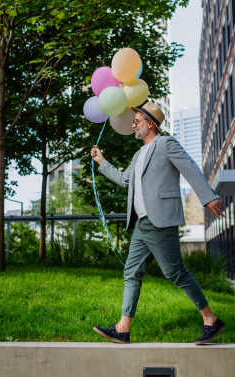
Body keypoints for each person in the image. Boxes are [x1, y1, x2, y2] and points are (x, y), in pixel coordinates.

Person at [90, 102, 226, 345]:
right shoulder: (138, 154)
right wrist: (102, 161)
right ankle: (122, 328)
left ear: (150, 124)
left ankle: (210, 320)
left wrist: (208, 197)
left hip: (160, 220)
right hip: (142, 224)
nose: (132, 125)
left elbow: (189, 167)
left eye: (138, 121)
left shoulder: (165, 144)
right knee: (131, 271)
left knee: (175, 272)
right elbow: (124, 180)